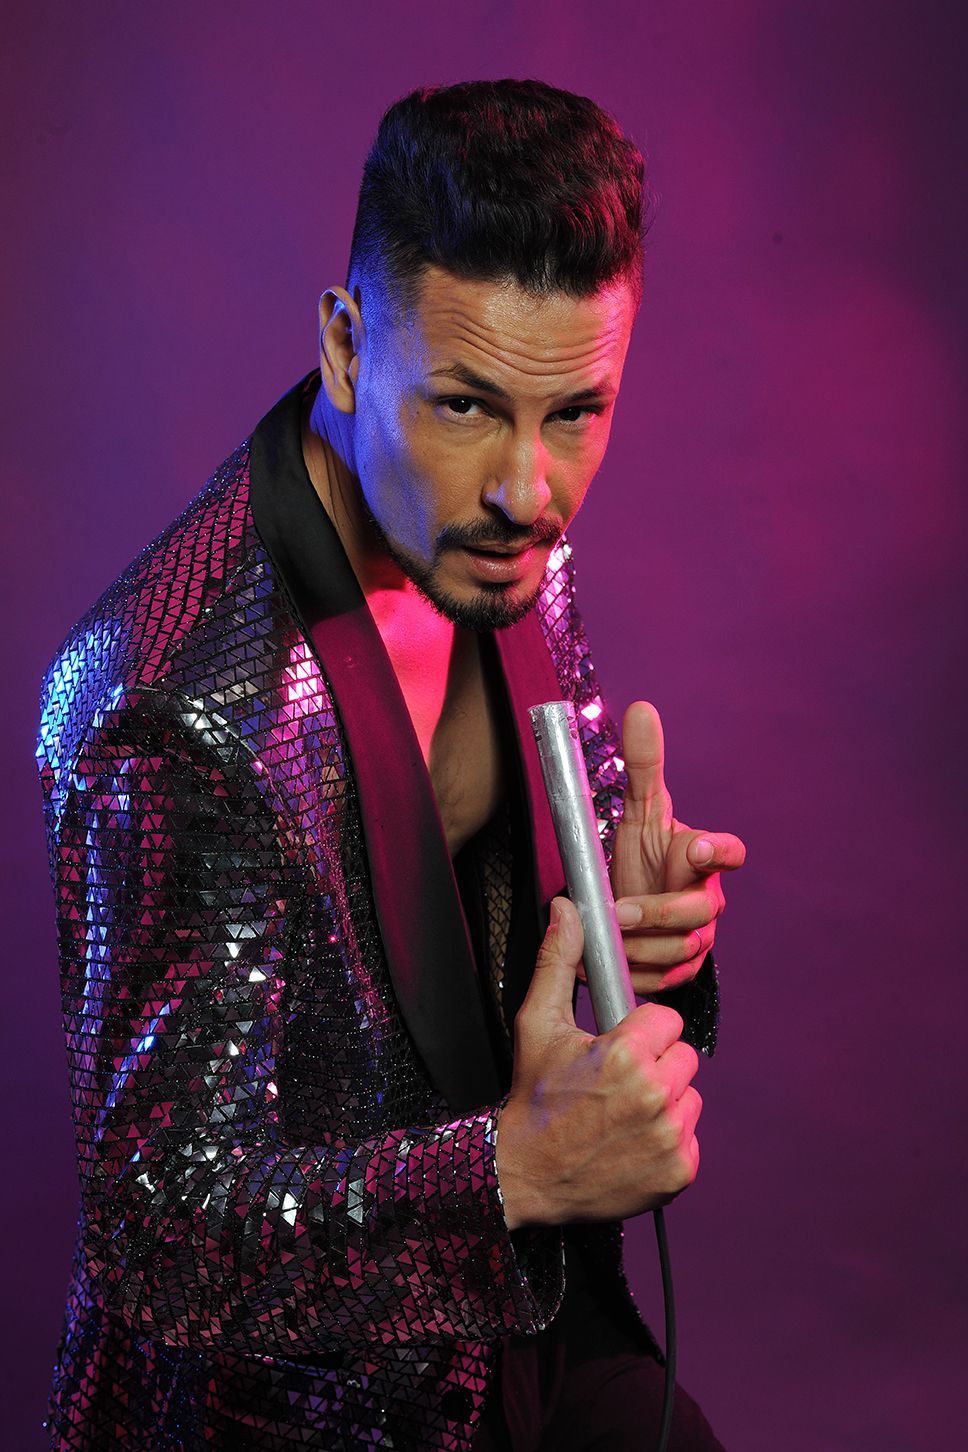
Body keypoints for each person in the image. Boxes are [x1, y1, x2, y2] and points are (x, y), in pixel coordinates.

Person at [35, 80, 744, 1451]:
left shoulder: (502, 544)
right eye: (466, 406)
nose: (530, 491)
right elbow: (160, 1239)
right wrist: (512, 1172)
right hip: (291, 1409)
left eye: (577, 413)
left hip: (521, 1330)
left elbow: (528, 979)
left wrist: (635, 936)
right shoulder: (166, 701)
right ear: (349, 348)